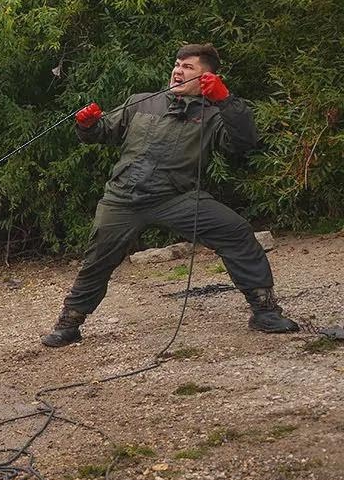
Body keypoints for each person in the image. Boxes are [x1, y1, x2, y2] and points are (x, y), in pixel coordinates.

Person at [41, 43, 298, 348]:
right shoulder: (140, 103)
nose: (178, 70)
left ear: (207, 77)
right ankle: (69, 325)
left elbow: (244, 142)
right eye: (177, 64)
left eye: (188, 67)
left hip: (177, 198)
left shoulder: (214, 115)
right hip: (123, 198)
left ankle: (265, 311)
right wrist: (86, 125)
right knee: (97, 259)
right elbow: (100, 134)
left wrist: (226, 100)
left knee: (237, 233)